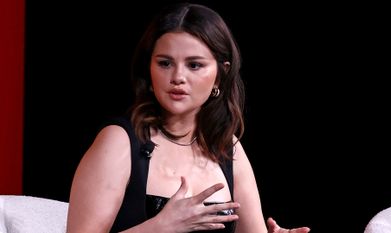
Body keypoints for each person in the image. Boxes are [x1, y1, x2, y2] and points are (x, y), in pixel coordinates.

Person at [66, 2, 310, 233]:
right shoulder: (119, 141)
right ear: (148, 68)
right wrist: (159, 227)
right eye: (165, 63)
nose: (177, 77)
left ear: (219, 75)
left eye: (194, 65)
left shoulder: (228, 149)